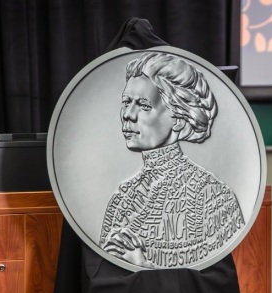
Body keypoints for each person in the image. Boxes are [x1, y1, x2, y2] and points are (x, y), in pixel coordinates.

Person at [99, 52, 244, 269]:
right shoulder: (122, 197)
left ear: (177, 118)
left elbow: (214, 284)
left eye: (144, 105)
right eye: (126, 101)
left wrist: (145, 267)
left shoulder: (214, 198)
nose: (128, 114)